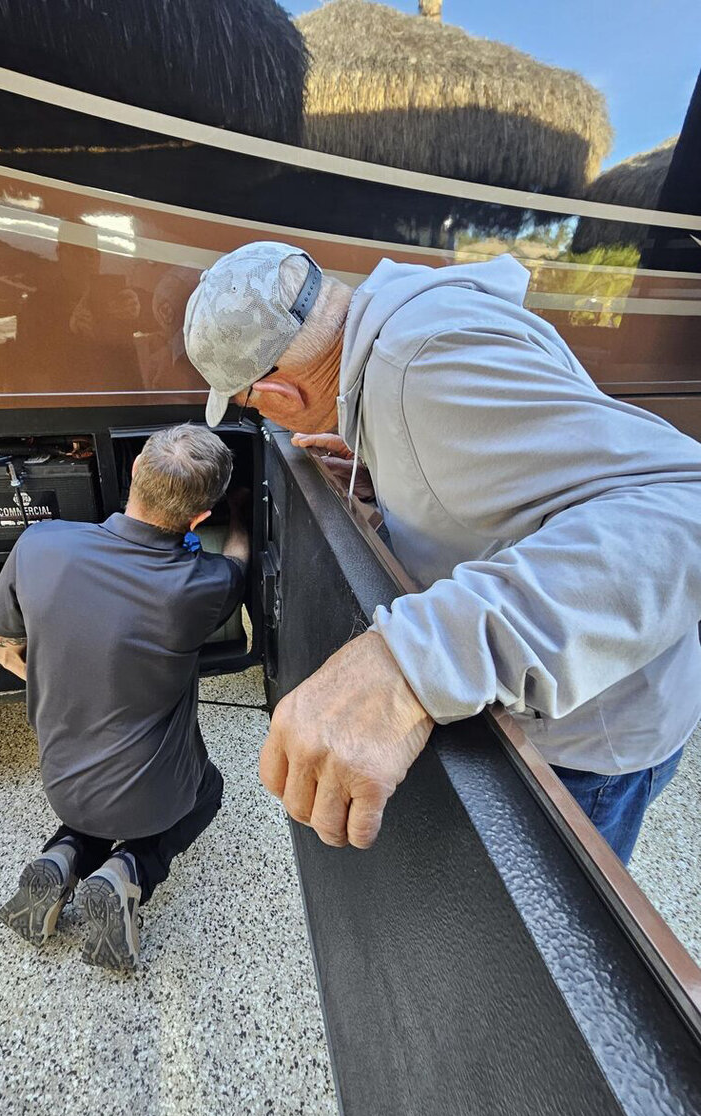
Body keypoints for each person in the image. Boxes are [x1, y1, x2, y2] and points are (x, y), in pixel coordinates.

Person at [183, 240, 701, 864]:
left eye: (245, 401)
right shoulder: (407, 324)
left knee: (531, 952)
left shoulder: (420, 367)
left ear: (279, 396)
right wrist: (382, 472)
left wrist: (412, 661)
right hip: (578, 702)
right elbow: (528, 487)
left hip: (594, 739)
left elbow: (683, 505)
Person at [0, 424, 249, 969]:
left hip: (63, 785)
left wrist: (59, 680)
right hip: (156, 799)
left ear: (133, 473)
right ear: (200, 519)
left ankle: (63, 857)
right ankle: (130, 870)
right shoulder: (201, 586)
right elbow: (240, 564)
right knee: (209, 790)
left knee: (101, 797)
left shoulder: (40, 544)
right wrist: (241, 513)